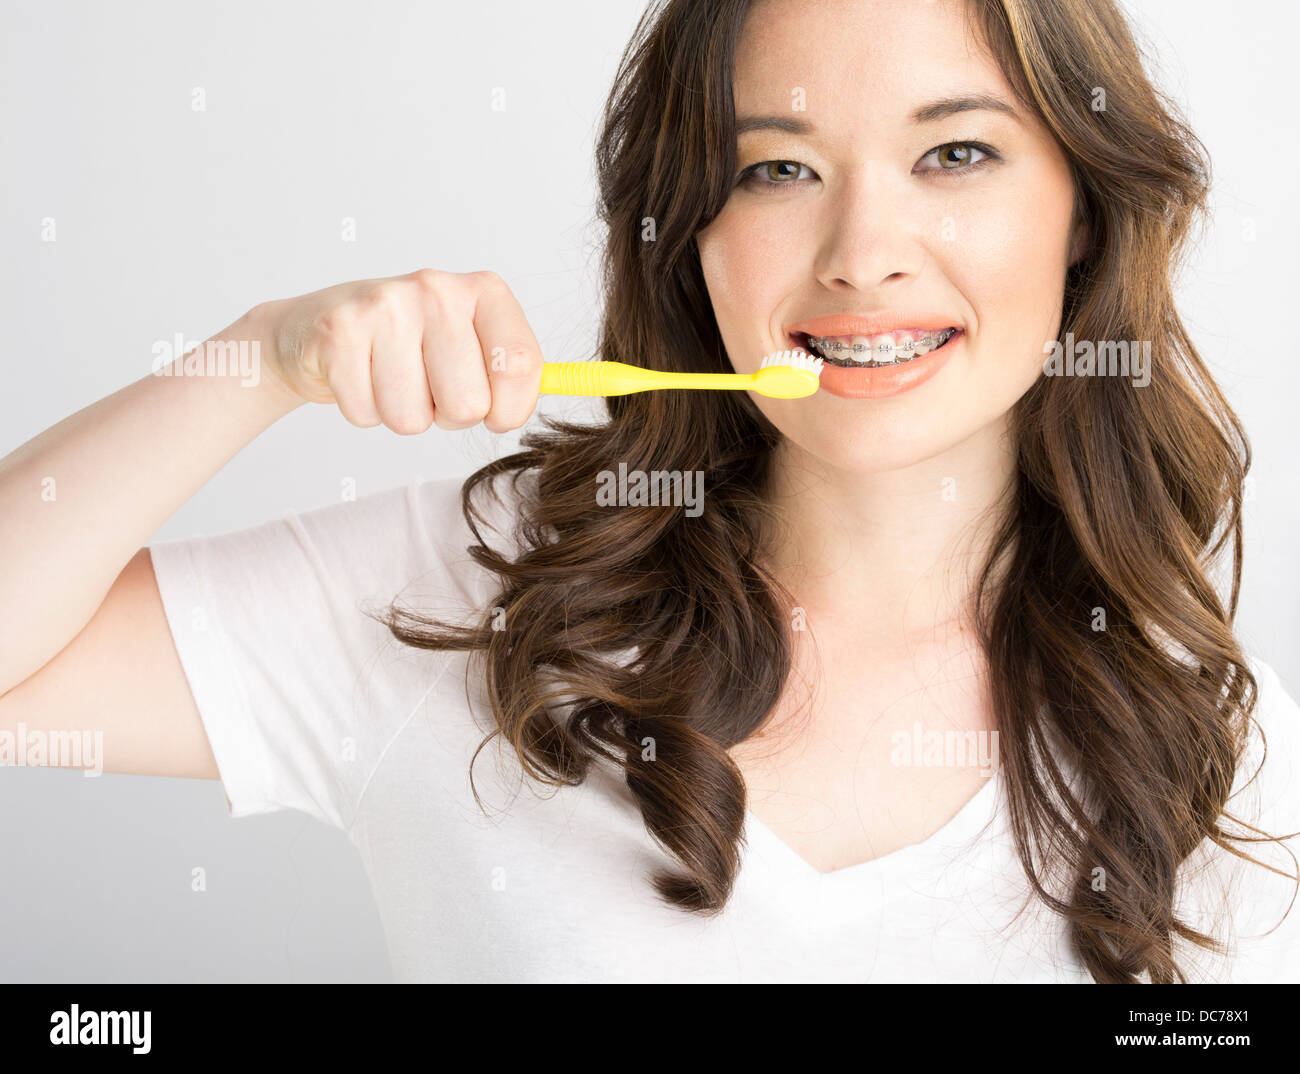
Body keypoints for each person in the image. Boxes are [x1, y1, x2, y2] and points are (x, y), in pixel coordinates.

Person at [3, 0, 1297, 983]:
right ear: (689, 228)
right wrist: (263, 357)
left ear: (1082, 206)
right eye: (778, 167)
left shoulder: (1215, 744)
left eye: (955, 153)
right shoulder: (469, 589)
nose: (862, 257)